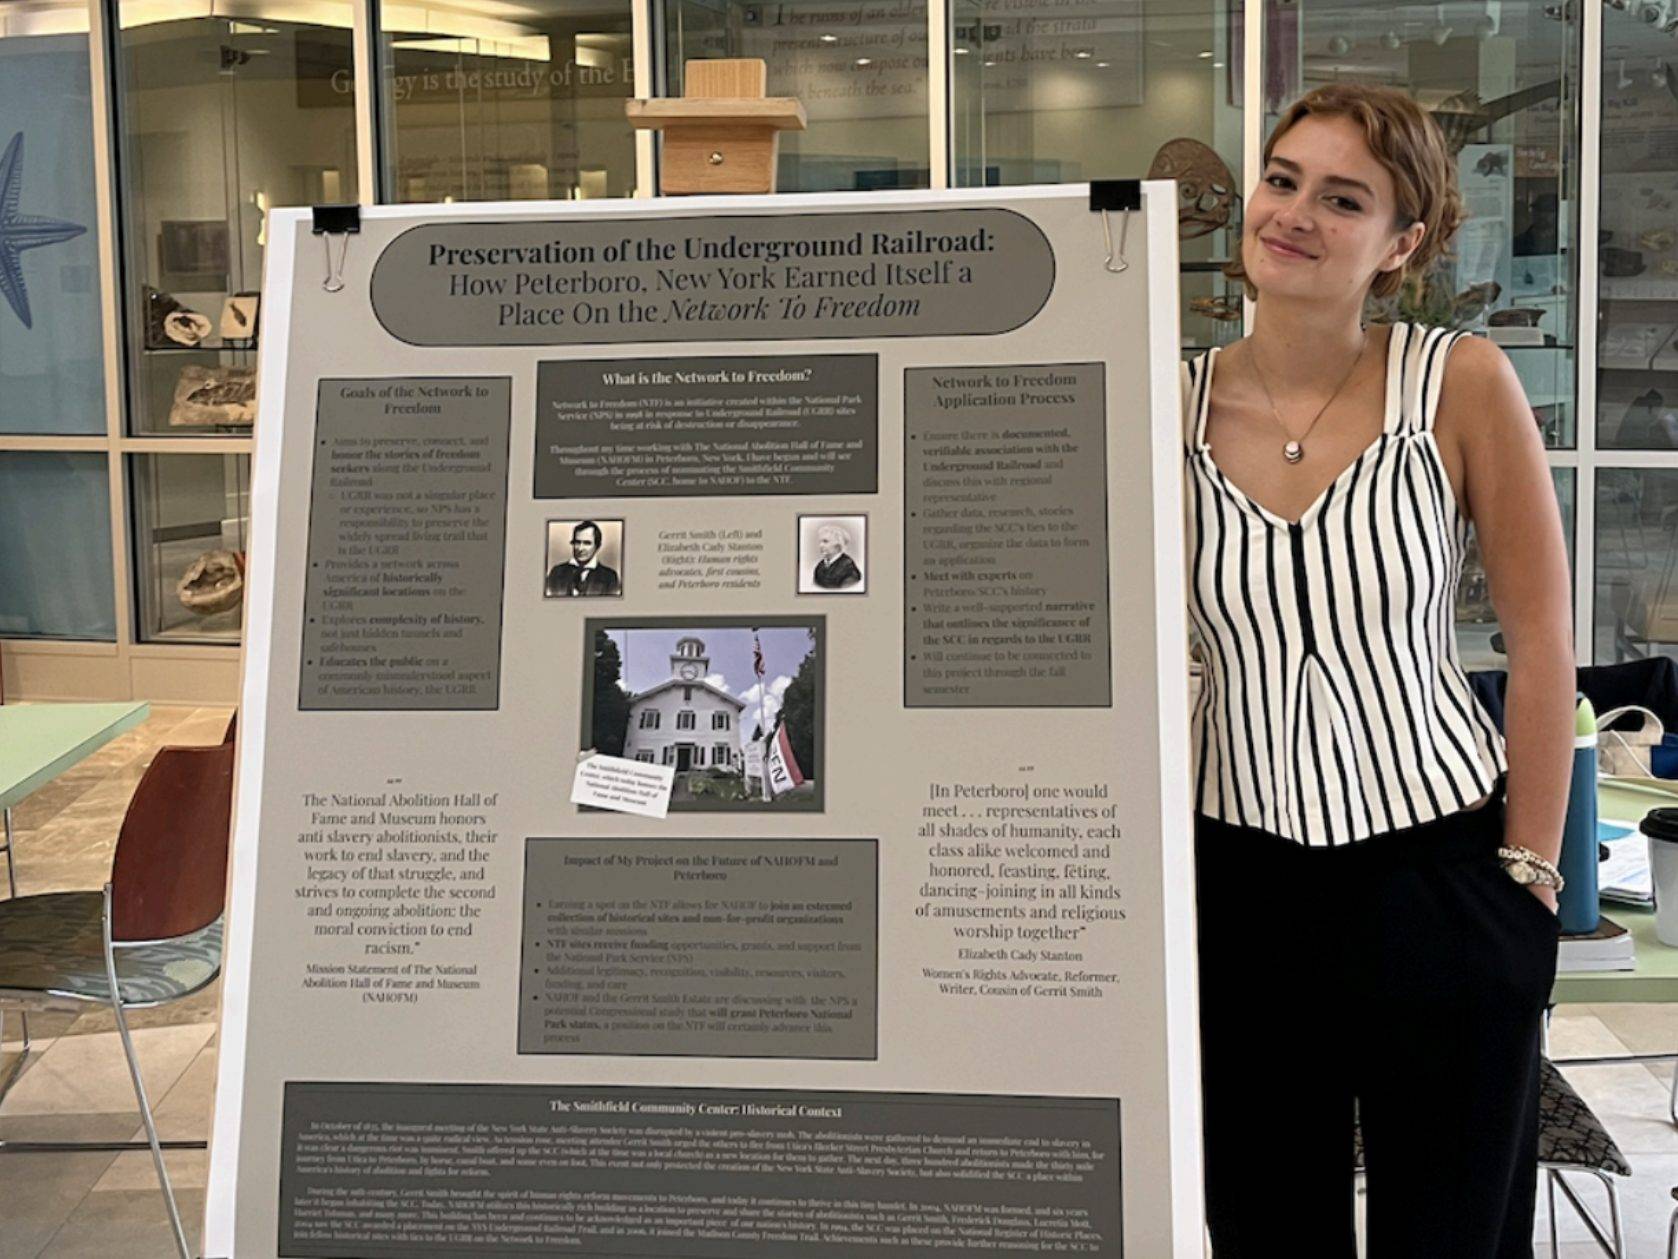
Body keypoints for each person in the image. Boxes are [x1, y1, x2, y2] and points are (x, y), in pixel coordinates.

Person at [1182, 83, 1573, 1257]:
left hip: (1440, 870)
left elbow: (1539, 636)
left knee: (1451, 1230)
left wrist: (1530, 879)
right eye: (1283, 179)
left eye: (1341, 198)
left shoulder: (1455, 383)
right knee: (1262, 1224)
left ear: (1400, 243)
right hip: (1233, 883)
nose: (1292, 213)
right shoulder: (1164, 402)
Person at [546, 521, 620, 597]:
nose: (580, 548)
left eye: (587, 543)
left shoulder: (609, 577)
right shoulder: (556, 572)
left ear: (597, 546)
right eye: (577, 542)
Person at [810, 522, 862, 590]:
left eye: (825, 541)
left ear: (838, 545)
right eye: (820, 542)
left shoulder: (848, 568)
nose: (821, 545)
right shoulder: (820, 566)